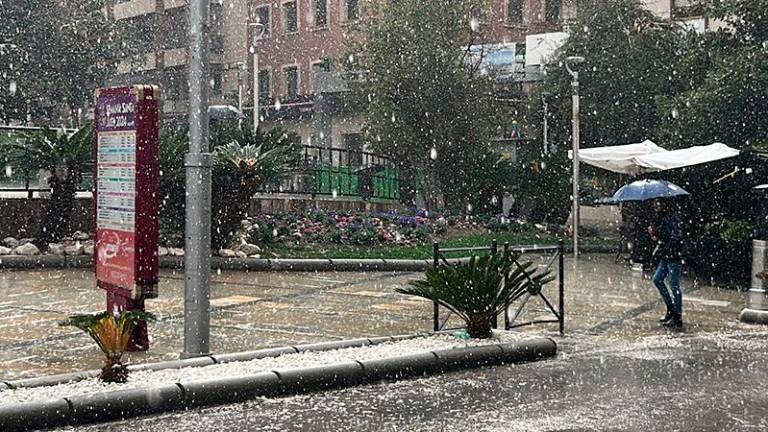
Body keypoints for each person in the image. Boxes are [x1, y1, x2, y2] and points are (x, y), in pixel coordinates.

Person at [648, 200, 684, 328]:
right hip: (665, 255)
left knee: (674, 285)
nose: (656, 206)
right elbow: (662, 237)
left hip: (673, 255)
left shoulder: (672, 218)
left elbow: (673, 236)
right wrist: (654, 234)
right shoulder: (660, 218)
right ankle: (671, 308)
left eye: (659, 204)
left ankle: (677, 315)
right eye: (655, 204)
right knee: (657, 279)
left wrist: (657, 233)